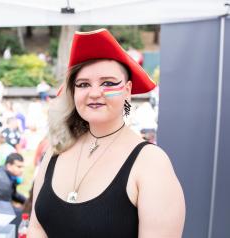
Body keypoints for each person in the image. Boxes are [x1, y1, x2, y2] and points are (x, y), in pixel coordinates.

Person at [28, 29, 185, 237]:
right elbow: (36, 228)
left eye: (108, 83)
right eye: (83, 84)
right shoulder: (56, 150)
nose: (94, 93)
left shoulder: (151, 162)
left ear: (127, 90)